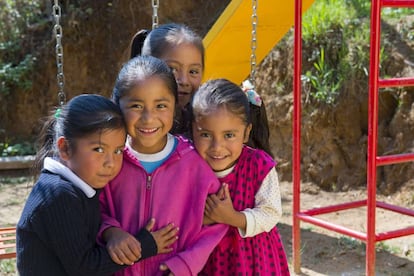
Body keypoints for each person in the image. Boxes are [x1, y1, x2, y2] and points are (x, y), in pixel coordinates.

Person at [16, 94, 177, 276]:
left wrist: (112, 232)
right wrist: (144, 246)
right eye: (98, 149)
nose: (111, 163)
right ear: (65, 148)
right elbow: (85, 268)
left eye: (118, 151)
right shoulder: (59, 195)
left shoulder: (80, 184)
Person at [99, 55, 228, 276]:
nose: (149, 118)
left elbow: (216, 224)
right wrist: (110, 232)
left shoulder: (193, 162)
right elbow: (92, 209)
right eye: (136, 105)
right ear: (117, 106)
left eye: (161, 106)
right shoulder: (110, 160)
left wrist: (184, 265)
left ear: (175, 105)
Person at [191, 79, 290, 275]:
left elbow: (271, 213)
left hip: (254, 260)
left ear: (246, 133)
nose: (217, 147)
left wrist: (232, 218)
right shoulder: (188, 166)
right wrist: (198, 219)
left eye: (229, 135)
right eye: (205, 135)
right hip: (206, 261)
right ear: (192, 129)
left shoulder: (258, 166)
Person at [129, 23, 204, 135]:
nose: (184, 81)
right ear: (146, 68)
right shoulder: (127, 121)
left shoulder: (201, 125)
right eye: (172, 69)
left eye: (193, 72)